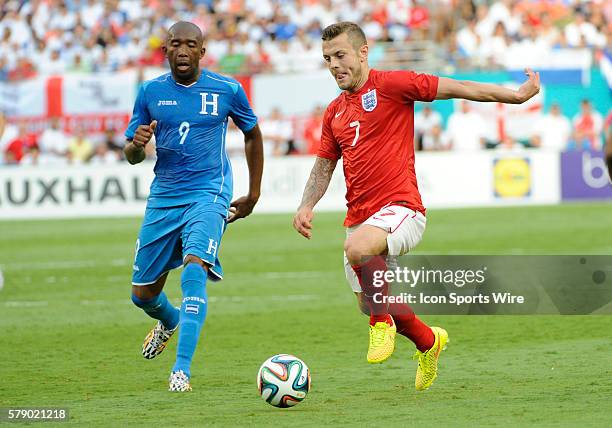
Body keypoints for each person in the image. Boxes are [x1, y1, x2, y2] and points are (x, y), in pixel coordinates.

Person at [293, 22, 540, 391]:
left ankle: (381, 327)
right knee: (371, 301)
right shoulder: (334, 112)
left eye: (340, 55)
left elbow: (459, 87)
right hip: (361, 217)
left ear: (363, 52)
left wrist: (515, 96)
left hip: (402, 207)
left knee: (360, 253)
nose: (333, 65)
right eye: (328, 58)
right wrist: (306, 204)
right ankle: (429, 342)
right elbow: (325, 164)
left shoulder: (393, 84)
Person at [124, 21, 263, 392]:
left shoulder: (227, 88)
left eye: (190, 45)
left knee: (195, 266)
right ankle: (168, 321)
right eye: (175, 44)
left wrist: (254, 192)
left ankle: (181, 370)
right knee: (142, 295)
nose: (182, 51)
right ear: (165, 50)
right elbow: (132, 155)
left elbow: (252, 133)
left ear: (202, 51)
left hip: (210, 192)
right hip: (165, 197)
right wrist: (137, 145)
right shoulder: (150, 91)